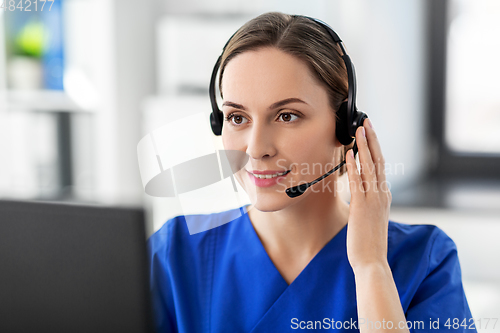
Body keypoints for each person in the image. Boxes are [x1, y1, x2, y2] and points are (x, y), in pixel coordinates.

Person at [147, 12, 476, 333]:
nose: (255, 148)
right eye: (236, 118)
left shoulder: (423, 261)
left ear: (345, 126)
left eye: (287, 116)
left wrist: (371, 268)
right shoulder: (173, 256)